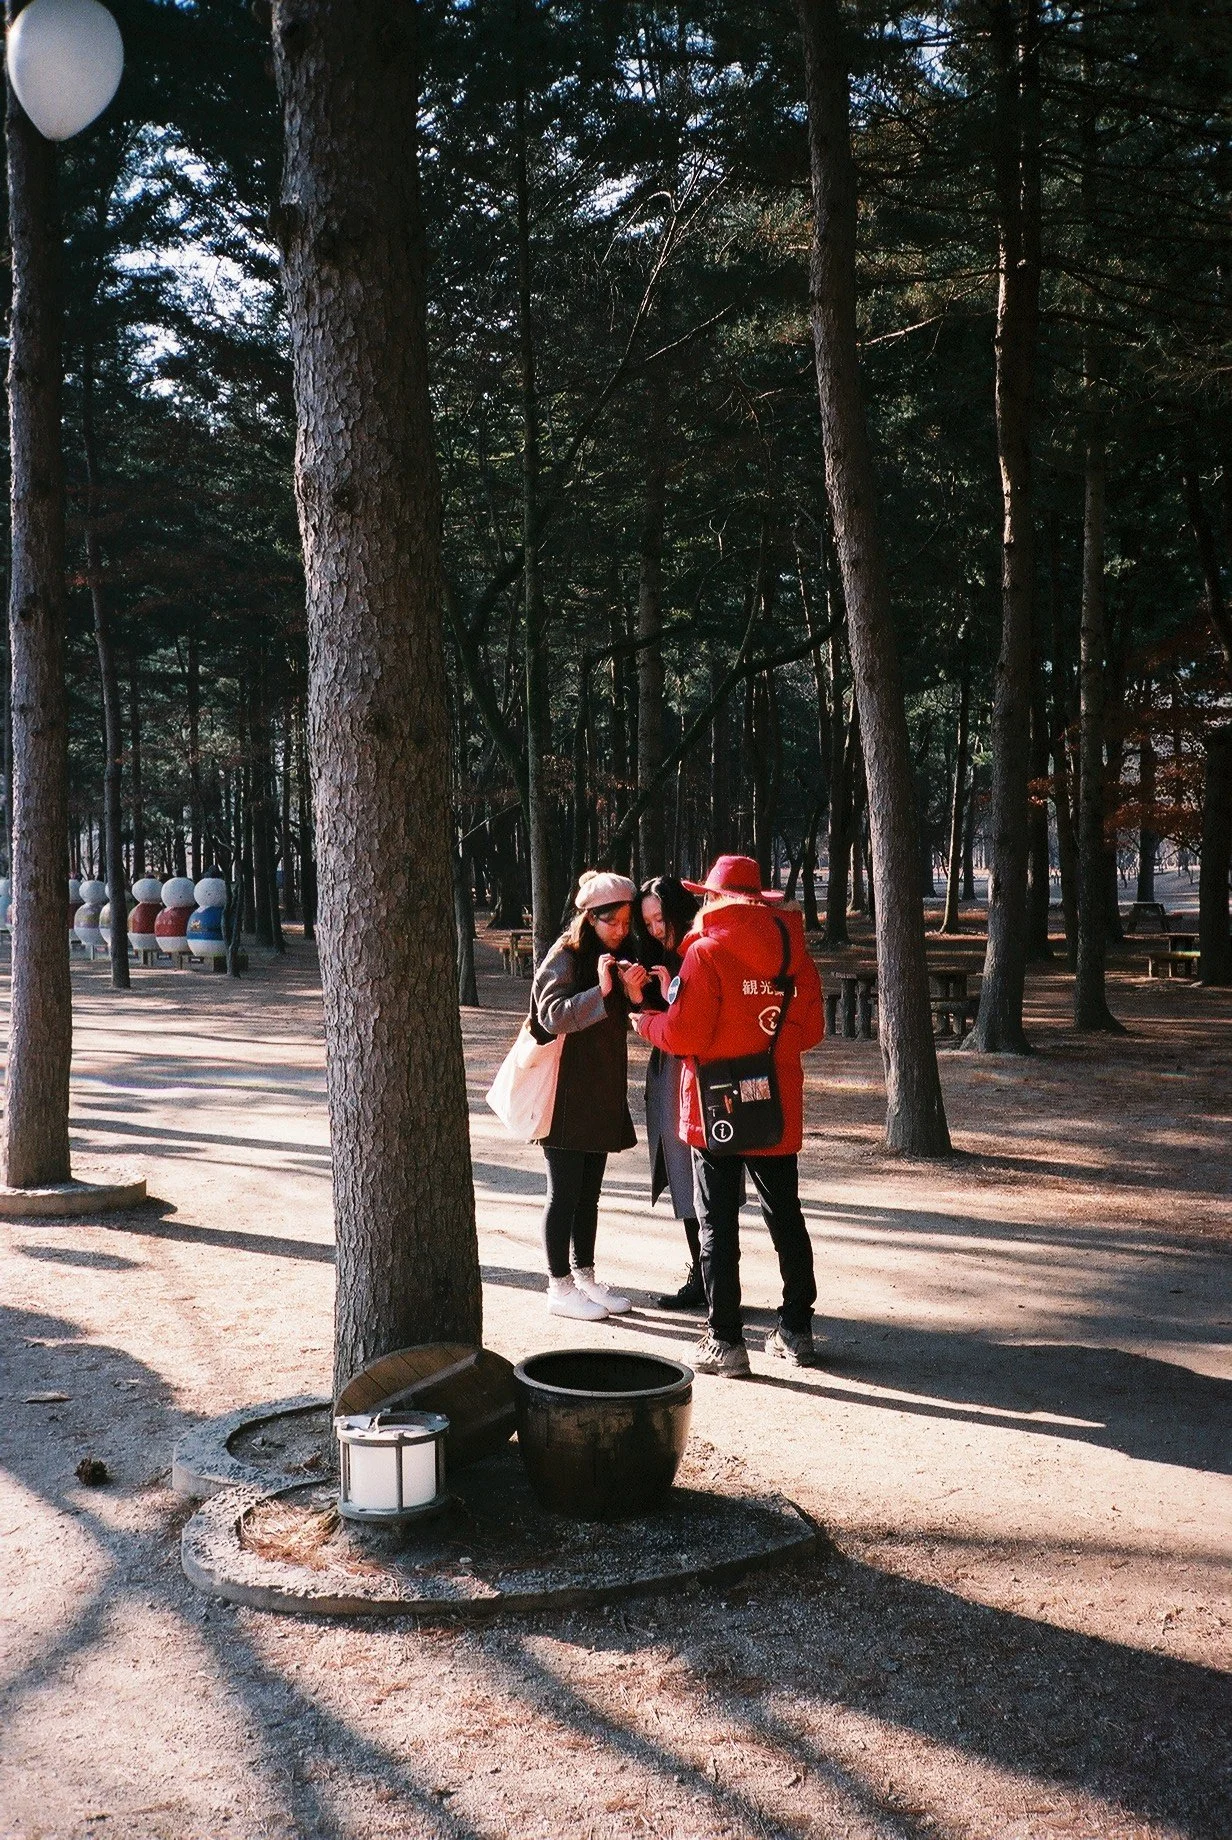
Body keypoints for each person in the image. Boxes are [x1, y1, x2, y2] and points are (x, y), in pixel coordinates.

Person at [632, 854, 824, 1377]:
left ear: (712, 899)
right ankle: (797, 1329)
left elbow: (686, 1034)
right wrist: (764, 1044)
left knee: (717, 1219)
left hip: (715, 1102)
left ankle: (726, 1340)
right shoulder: (794, 952)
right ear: (759, 899)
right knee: (785, 1212)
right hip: (776, 1097)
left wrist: (647, 1022)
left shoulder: (705, 953)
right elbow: (811, 1031)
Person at [530, 870, 648, 1321]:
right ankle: (557, 1285)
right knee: (564, 1193)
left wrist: (634, 994)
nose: (621, 931)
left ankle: (584, 1277)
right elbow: (551, 1015)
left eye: (626, 922)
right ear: (590, 918)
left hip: (602, 1090)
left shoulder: (618, 954)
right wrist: (598, 991)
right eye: (611, 922)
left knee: (589, 1194)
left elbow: (629, 1015)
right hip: (566, 1093)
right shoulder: (567, 954)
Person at [635, 875, 705, 1309]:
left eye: (661, 917)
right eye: (649, 922)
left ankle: (709, 1277)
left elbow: (688, 1024)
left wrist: (662, 1002)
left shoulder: (696, 953)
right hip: (668, 1067)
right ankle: (703, 1272)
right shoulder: (663, 954)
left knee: (696, 1175)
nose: (656, 928)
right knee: (685, 1177)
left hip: (690, 1070)